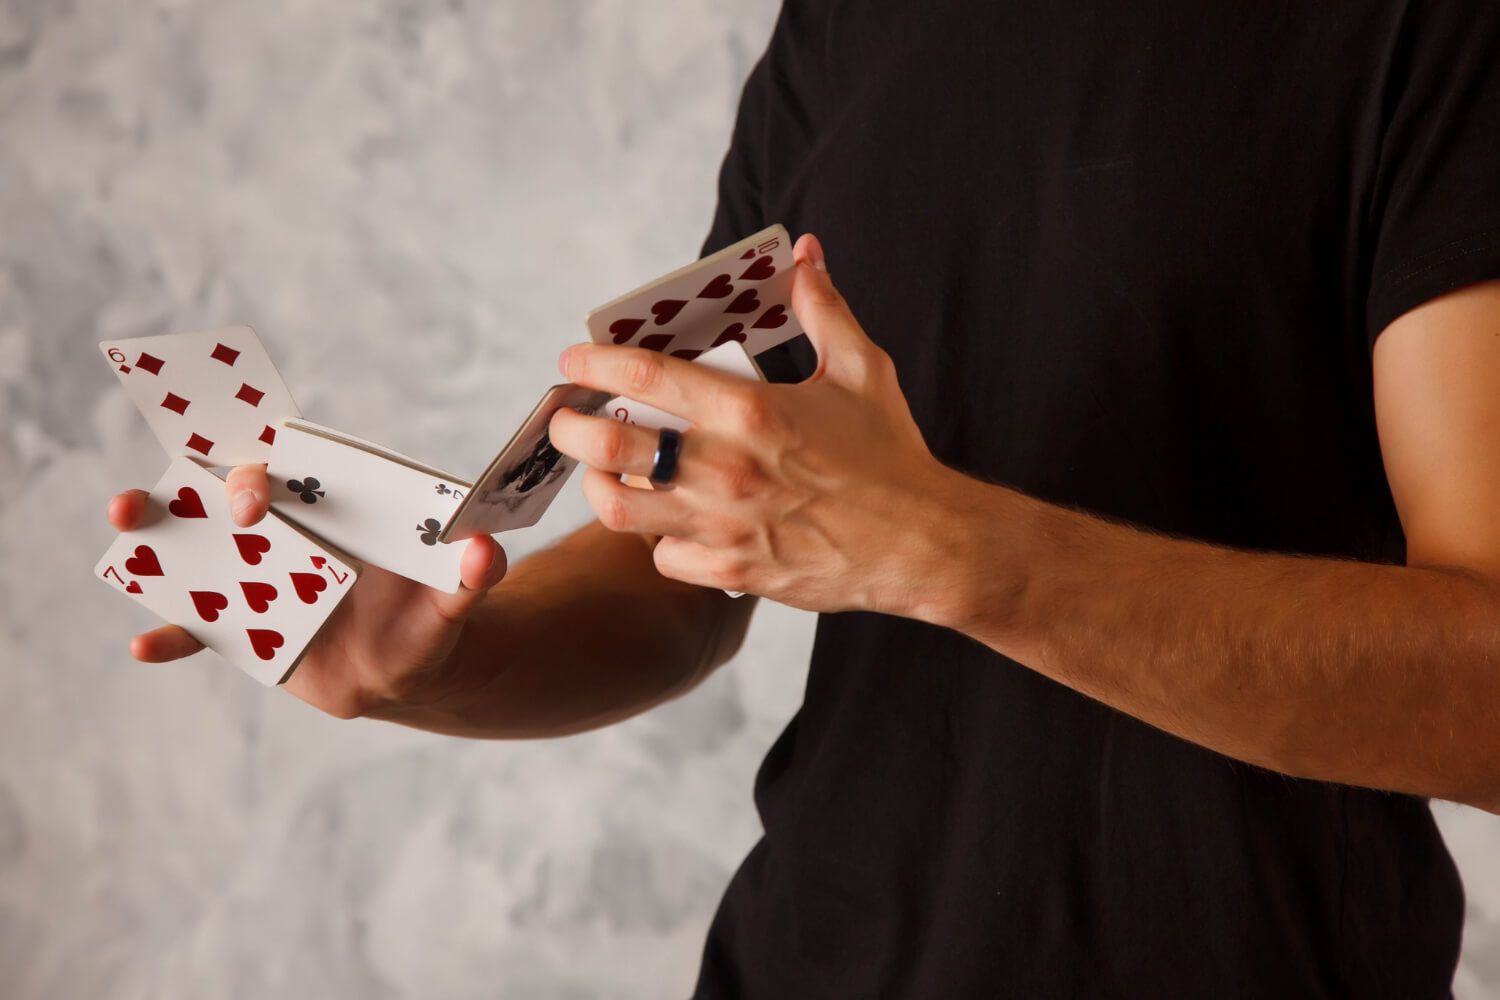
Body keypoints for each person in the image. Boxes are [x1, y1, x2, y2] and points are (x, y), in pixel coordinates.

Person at [106, 3, 1500, 995]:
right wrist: (443, 650)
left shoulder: (1428, 35)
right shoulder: (840, 32)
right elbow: (698, 559)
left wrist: (952, 552)